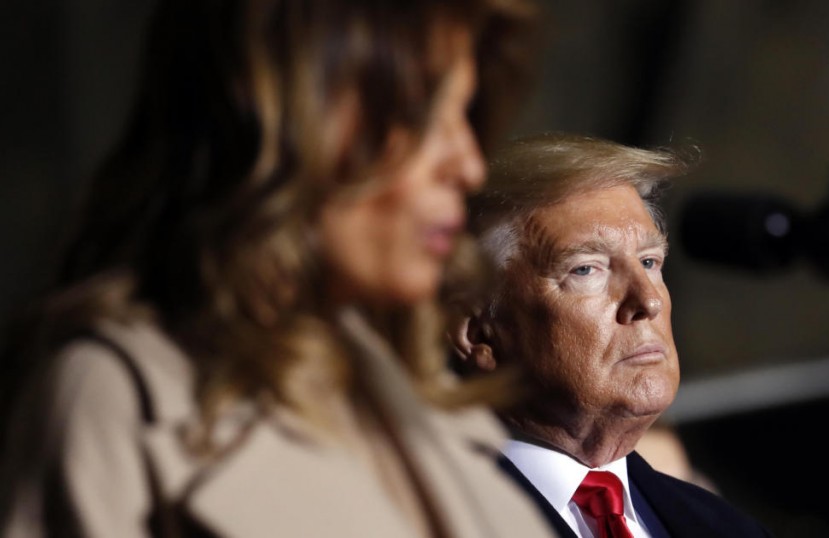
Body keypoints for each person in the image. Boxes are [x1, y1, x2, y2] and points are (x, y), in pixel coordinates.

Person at [0, 1, 556, 536]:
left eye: (464, 114)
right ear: (287, 123)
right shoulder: (106, 397)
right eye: (420, 117)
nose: (468, 165)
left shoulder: (412, 402)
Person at [448, 133, 771, 537]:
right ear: (479, 332)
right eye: (586, 269)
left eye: (650, 262)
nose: (648, 301)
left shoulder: (731, 530)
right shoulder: (421, 514)